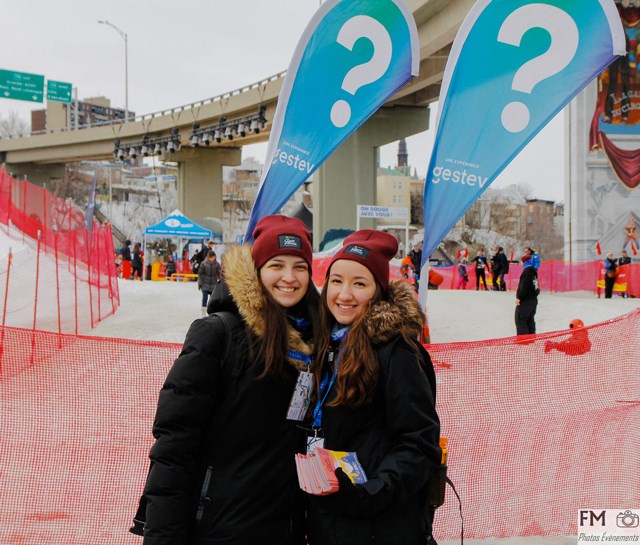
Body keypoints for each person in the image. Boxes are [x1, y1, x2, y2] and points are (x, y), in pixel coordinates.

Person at [134, 215, 320, 545]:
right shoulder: (218, 335)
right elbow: (175, 447)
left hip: (284, 530)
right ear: (257, 270)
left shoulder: (316, 341)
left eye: (300, 267)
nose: (289, 278)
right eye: (277, 265)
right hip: (217, 530)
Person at [306, 230, 441, 545]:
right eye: (337, 281)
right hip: (330, 519)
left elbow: (419, 443)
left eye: (359, 283)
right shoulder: (322, 344)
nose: (344, 294)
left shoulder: (397, 352)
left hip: (380, 525)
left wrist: (372, 492)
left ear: (378, 292)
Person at [515, 253, 540, 335]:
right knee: (530, 319)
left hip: (526, 300)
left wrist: (519, 297)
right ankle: (531, 337)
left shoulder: (526, 272)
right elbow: (537, 286)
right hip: (533, 300)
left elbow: (523, 286)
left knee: (521, 319)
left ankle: (524, 341)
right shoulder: (534, 272)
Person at [197, 249, 222, 316]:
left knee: (212, 300)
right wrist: (199, 283)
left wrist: (221, 281)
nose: (212, 259)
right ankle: (203, 313)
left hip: (213, 285)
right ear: (208, 257)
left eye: (214, 257)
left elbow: (219, 273)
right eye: (211, 257)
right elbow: (200, 274)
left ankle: (211, 313)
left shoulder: (217, 264)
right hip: (205, 284)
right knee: (205, 299)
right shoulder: (203, 264)